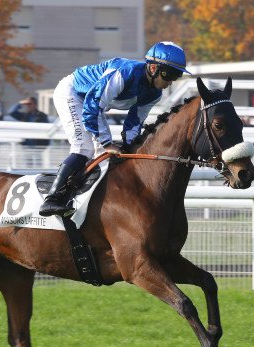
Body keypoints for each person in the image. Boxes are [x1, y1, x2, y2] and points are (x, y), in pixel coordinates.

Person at [38, 41, 191, 217]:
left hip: (93, 103)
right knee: (84, 148)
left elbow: (134, 122)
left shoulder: (154, 93)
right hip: (73, 93)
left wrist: (130, 146)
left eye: (176, 76)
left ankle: (84, 202)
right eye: (168, 74)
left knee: (103, 155)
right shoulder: (124, 73)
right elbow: (92, 105)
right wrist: (107, 143)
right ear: (153, 68)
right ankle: (52, 199)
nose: (170, 82)